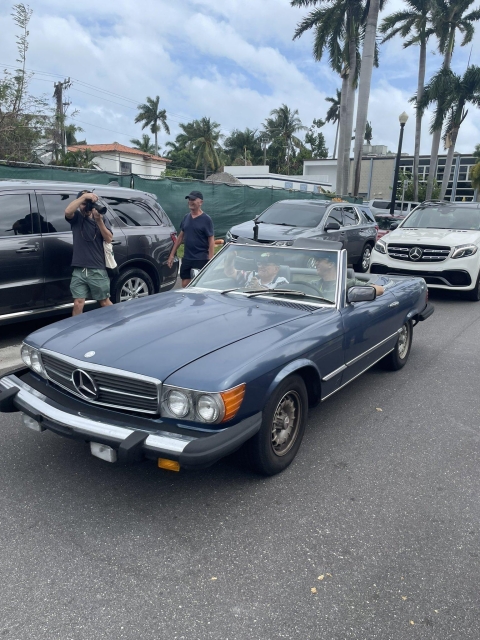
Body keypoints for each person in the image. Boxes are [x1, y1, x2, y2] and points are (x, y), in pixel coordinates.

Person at [64, 190, 113, 316]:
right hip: (79, 269)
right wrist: (85, 197)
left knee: (103, 301)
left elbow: (109, 238)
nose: (87, 206)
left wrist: (99, 221)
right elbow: (68, 212)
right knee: (78, 302)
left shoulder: (102, 219)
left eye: (89, 203)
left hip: (97, 268)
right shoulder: (76, 218)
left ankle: (116, 324)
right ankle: (76, 329)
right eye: (84, 203)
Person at [167, 190, 215, 287]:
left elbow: (211, 240)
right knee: (185, 285)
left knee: (198, 286)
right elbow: (180, 237)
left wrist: (210, 260)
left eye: (193, 199)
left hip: (200, 259)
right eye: (189, 199)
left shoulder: (206, 219)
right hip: (187, 258)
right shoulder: (186, 217)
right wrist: (172, 255)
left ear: (201, 202)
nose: (190, 201)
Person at [312, 255, 384, 299]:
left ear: (330, 264)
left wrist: (356, 294)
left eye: (319, 260)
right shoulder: (314, 284)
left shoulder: (348, 283)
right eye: (315, 261)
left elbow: (380, 290)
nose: (315, 263)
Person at [224, 251, 289, 290]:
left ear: (276, 269)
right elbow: (230, 272)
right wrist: (230, 258)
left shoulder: (281, 282)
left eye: (266, 265)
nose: (262, 267)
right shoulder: (251, 275)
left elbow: (278, 299)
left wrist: (258, 288)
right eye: (260, 264)